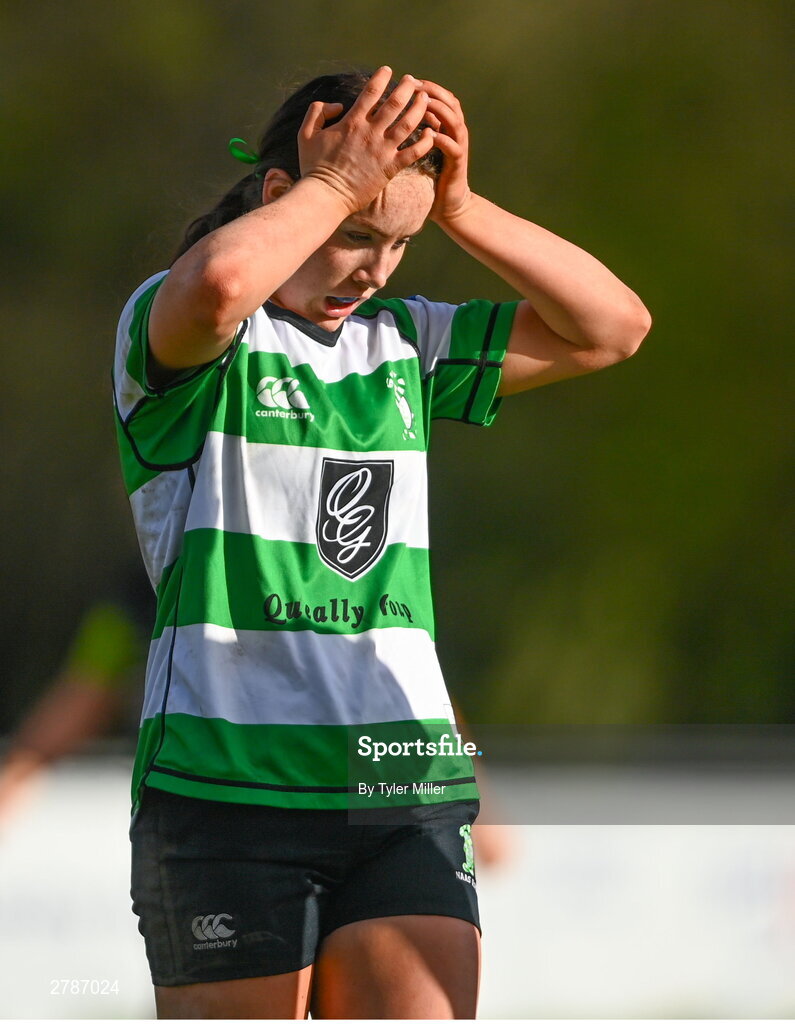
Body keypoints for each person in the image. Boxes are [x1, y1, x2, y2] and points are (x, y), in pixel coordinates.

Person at [113, 66, 651, 1019]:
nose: (373, 270)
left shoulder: (407, 343)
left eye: (397, 243)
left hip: (399, 776)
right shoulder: (193, 331)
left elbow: (612, 327)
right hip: (227, 782)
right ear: (282, 196)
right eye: (356, 236)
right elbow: (226, 281)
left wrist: (461, 207)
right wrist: (333, 187)